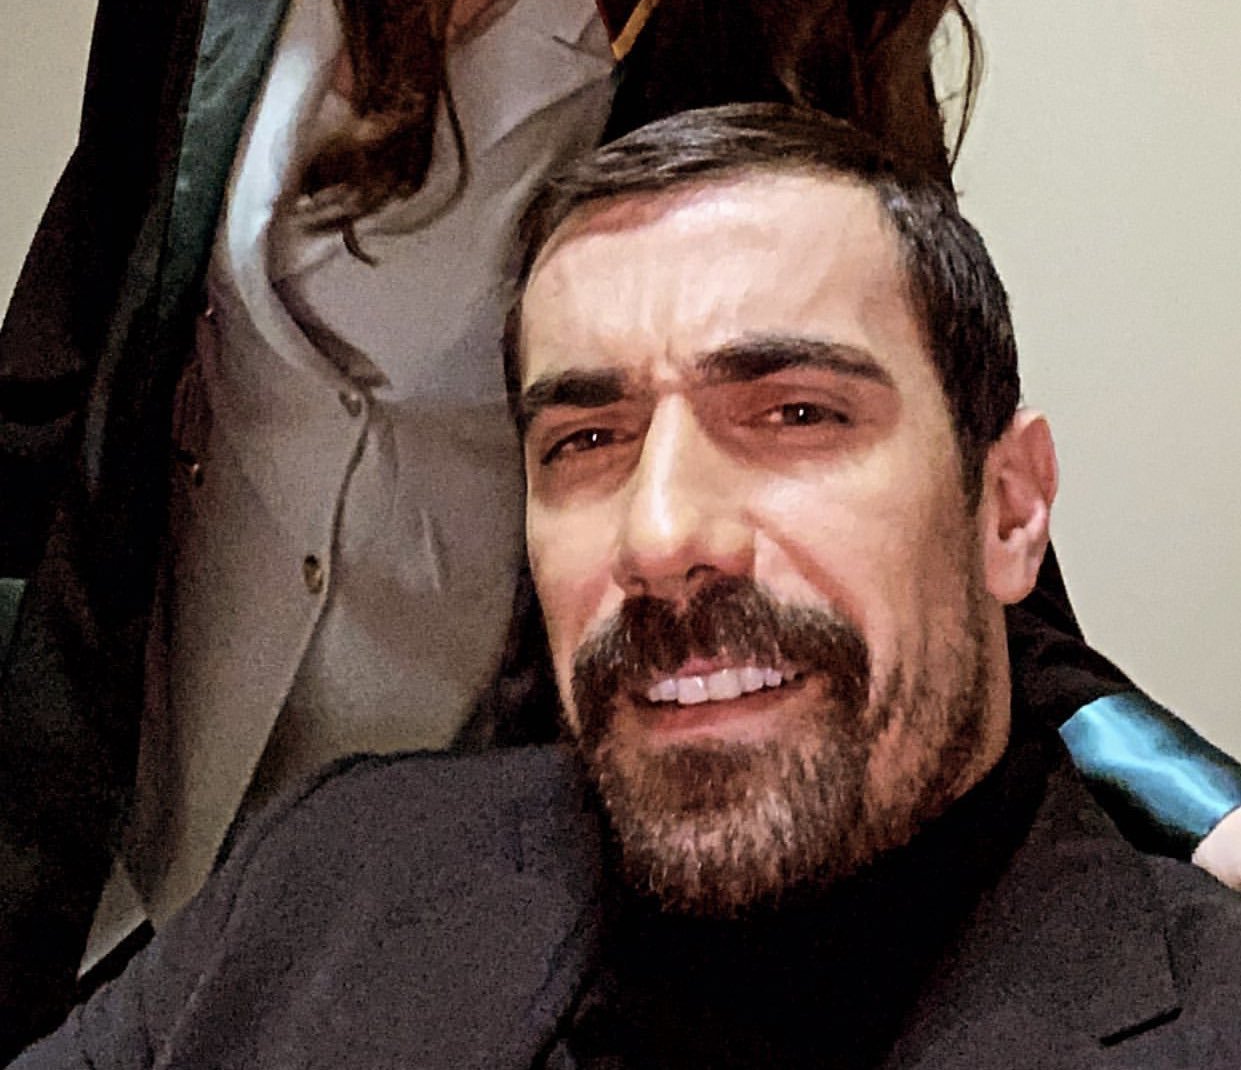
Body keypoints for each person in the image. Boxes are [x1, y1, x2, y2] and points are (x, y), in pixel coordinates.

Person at [0, 0, 1238, 1054]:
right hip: (115, 756)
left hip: (450, 848)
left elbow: (948, 508)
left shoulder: (758, 39)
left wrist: (1199, 801)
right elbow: (87, 309)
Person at [12, 104, 1241, 1070]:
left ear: (1009, 509)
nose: (658, 535)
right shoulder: (337, 874)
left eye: (795, 413)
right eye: (586, 440)